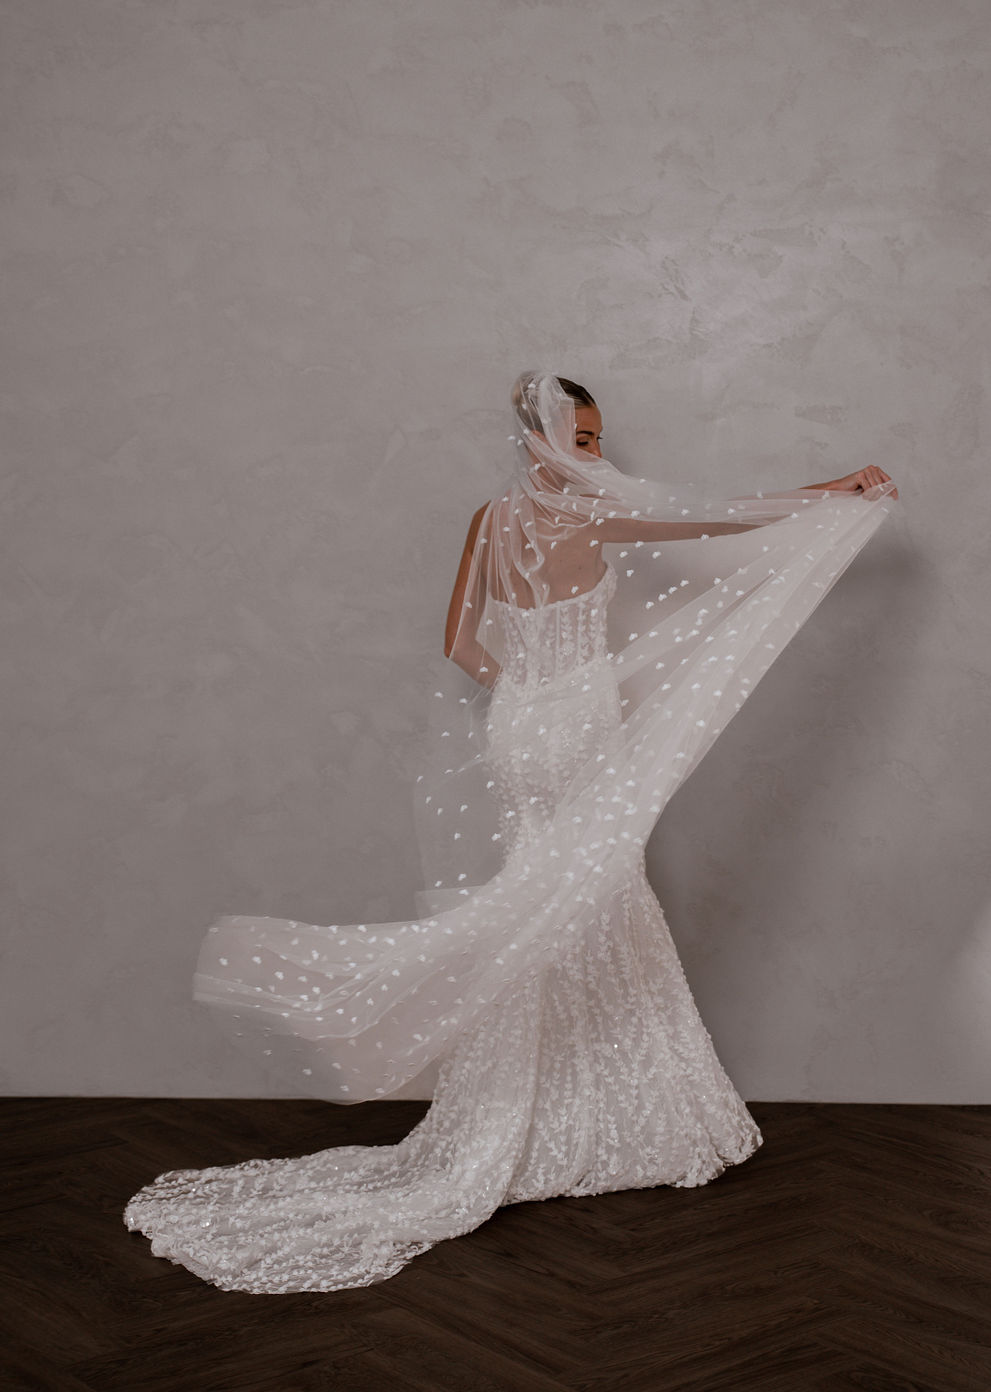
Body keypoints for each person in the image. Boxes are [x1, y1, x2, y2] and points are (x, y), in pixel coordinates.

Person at [124, 373, 896, 1293]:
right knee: (594, 893)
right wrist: (835, 491)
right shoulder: (593, 514)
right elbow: (720, 520)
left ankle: (533, 1103)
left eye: (597, 438)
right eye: (586, 437)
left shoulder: (490, 520)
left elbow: (460, 643)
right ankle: (628, 1113)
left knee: (553, 891)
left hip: (521, 728)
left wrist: (528, 694)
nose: (598, 454)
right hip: (579, 727)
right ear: (546, 438)